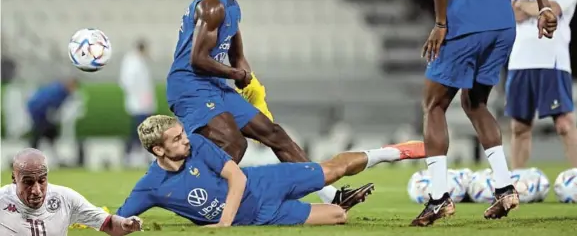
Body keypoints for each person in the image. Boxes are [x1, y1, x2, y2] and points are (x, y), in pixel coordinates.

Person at [165, 0, 372, 208]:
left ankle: (333, 196)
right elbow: (198, 59)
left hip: (213, 85)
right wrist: (235, 75)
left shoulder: (232, 6)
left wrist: (244, 73)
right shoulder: (212, 5)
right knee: (235, 144)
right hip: (189, 86)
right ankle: (187, 192)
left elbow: (237, 53)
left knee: (274, 133)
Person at [412, 0, 558, 226]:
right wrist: (543, 6)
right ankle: (506, 188)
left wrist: (441, 22)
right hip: (502, 26)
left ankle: (438, 198)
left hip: (465, 25)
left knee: (433, 105)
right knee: (475, 102)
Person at [116, 115, 425, 227]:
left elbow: (235, 177)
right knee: (339, 217)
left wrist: (224, 223)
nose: (185, 140)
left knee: (333, 169)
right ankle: (338, 202)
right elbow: (116, 220)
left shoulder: (198, 145)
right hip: (263, 217)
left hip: (263, 183)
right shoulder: (151, 186)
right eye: (176, 139)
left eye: (182, 133)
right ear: (158, 150)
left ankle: (395, 151)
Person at [507, 0, 577, 169]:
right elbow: (511, 13)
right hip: (520, 60)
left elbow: (555, 9)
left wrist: (527, 5)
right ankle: (515, 185)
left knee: (564, 123)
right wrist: (542, 6)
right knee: (519, 126)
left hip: (553, 59)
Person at [0, 148, 143, 236]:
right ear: (14, 178)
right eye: (28, 182)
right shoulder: (2, 200)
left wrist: (125, 224)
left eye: (42, 180)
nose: (36, 190)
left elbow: (108, 224)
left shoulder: (65, 198)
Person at [119, 39, 157, 167]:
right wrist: (140, 97)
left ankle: (142, 154)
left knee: (145, 129)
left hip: (143, 102)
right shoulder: (132, 61)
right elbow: (128, 82)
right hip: (138, 102)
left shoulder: (140, 61)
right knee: (138, 130)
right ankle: (130, 154)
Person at [26, 78, 79, 158]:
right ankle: (29, 158)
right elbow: (49, 105)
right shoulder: (59, 92)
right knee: (42, 134)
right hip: (39, 113)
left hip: (38, 112)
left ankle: (30, 157)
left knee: (42, 136)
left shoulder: (58, 89)